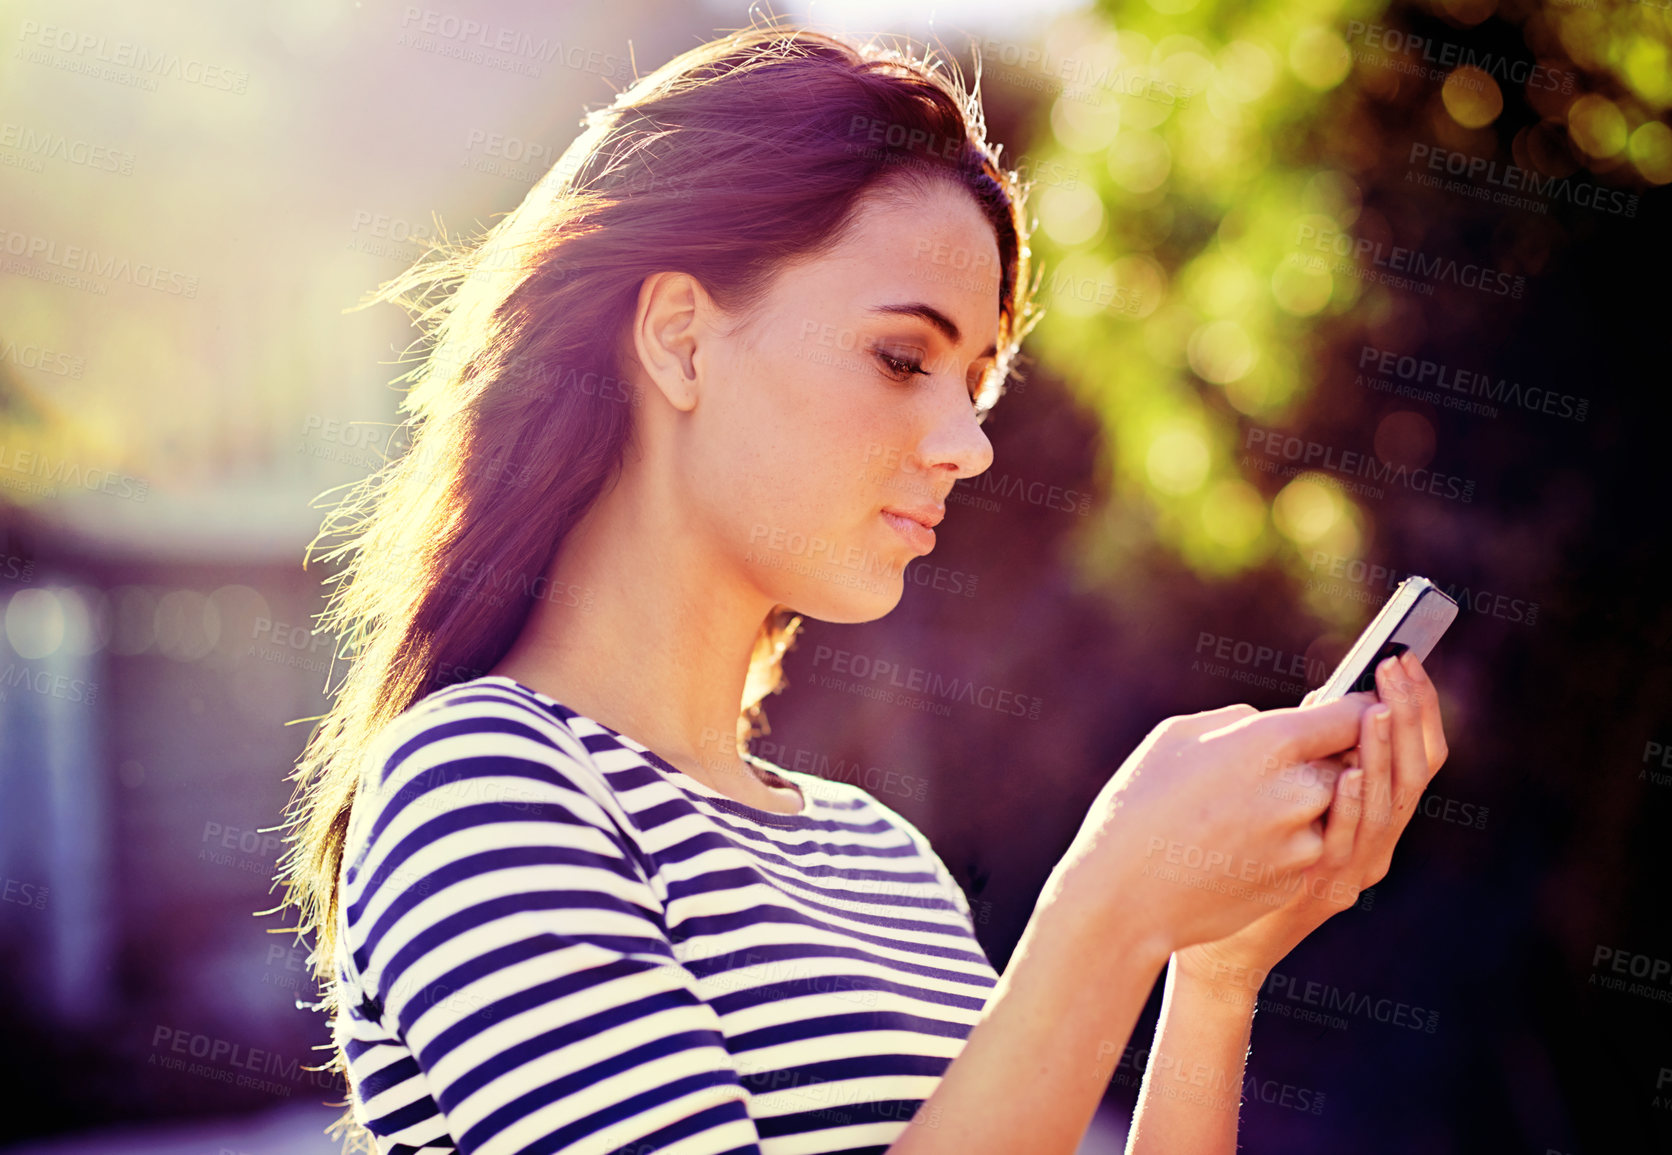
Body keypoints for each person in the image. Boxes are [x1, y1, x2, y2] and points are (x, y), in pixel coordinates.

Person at [277, 18, 1449, 1155]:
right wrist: (1107, 914)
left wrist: (1211, 978)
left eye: (977, 383)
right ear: (682, 340)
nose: (969, 445)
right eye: (904, 358)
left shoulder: (883, 862)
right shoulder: (481, 785)